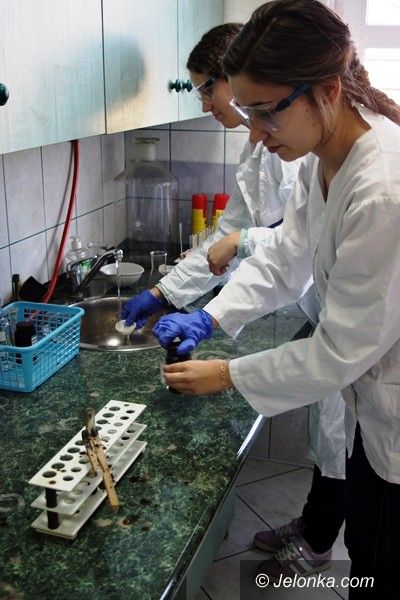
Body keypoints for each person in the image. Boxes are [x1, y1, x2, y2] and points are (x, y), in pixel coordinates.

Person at [152, 1, 400, 597]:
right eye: (248, 113)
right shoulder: (329, 158)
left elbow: (337, 353)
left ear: (327, 90)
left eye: (266, 112)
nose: (257, 136)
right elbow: (288, 258)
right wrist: (210, 316)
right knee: (366, 552)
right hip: (377, 417)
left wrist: (225, 374)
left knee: (383, 566)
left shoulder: (383, 190)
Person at [123, 20, 346, 579]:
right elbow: (267, 244)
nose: (205, 104)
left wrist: (225, 370)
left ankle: (321, 538)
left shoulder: (314, 153)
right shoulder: (267, 145)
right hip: (321, 307)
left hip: (347, 324)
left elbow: (281, 249)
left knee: (344, 440)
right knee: (332, 434)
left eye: (206, 88)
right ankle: (316, 526)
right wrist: (172, 295)